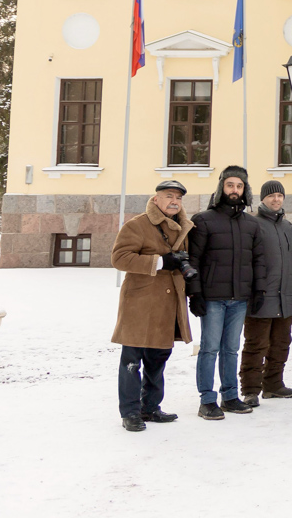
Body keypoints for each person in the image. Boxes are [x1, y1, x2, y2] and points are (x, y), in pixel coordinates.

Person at [110, 180, 195, 432]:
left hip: (168, 305)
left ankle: (151, 407)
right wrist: (159, 262)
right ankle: (130, 413)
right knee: (132, 361)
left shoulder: (183, 227)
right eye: (169, 196)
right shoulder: (137, 225)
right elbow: (119, 257)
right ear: (156, 199)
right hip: (140, 304)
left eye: (178, 198)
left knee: (158, 358)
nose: (174, 201)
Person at [188, 165, 267, 419]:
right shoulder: (203, 220)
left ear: (245, 190)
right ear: (222, 187)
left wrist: (258, 291)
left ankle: (230, 396)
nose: (235, 190)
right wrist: (195, 294)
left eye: (239, 186)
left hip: (239, 299)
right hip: (212, 299)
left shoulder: (252, 225)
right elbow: (194, 261)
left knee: (231, 348)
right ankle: (207, 400)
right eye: (230, 185)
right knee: (210, 348)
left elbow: (258, 261)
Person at [240, 180, 292, 407]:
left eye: (280, 195)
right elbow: (246, 260)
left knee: (281, 343)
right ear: (263, 198)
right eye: (271, 196)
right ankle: (250, 389)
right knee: (256, 345)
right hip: (261, 296)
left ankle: (274, 384)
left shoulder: (287, 226)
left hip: (285, 296)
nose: (276, 199)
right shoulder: (253, 224)